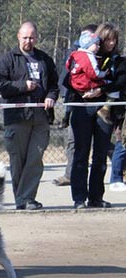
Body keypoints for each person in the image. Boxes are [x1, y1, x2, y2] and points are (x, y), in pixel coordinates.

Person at [0, 21, 59, 210]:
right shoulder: (8, 59)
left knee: (35, 158)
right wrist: (23, 86)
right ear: (18, 37)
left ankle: (27, 198)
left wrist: (51, 96)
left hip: (41, 117)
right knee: (18, 159)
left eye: (32, 37)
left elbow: (54, 84)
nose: (28, 41)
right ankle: (21, 199)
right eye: (25, 37)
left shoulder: (44, 59)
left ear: (36, 38)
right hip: (17, 117)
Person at [69, 23, 125, 207]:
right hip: (82, 109)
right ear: (99, 39)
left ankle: (96, 197)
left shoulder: (118, 60)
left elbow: (121, 82)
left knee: (100, 155)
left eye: (114, 39)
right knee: (81, 154)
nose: (111, 43)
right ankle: (79, 198)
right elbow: (69, 79)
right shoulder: (83, 55)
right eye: (107, 39)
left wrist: (100, 89)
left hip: (105, 112)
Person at [53, 24, 99, 187]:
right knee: (74, 141)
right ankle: (70, 174)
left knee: (103, 144)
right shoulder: (75, 53)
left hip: (100, 105)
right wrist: (67, 106)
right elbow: (67, 79)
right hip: (76, 104)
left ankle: (119, 169)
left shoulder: (101, 53)